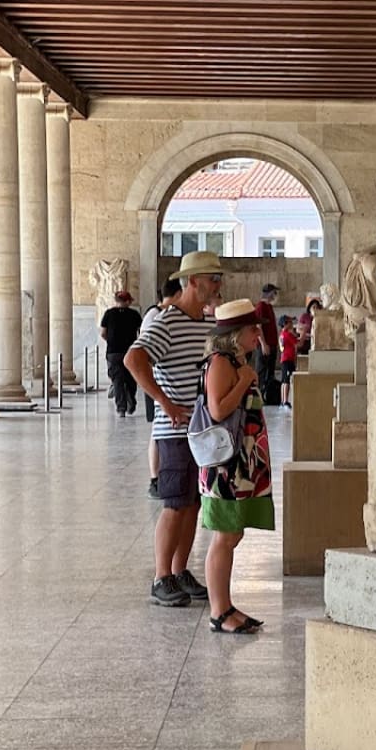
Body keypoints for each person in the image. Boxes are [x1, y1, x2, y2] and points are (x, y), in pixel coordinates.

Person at [123, 249, 225, 608]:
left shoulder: (206, 324)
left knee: (193, 504)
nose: (218, 285)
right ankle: (161, 576)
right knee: (175, 504)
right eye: (213, 278)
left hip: (201, 431)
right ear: (193, 281)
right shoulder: (167, 321)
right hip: (175, 430)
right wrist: (163, 403)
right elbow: (133, 359)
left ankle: (180, 571)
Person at [198, 299, 274, 635]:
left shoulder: (236, 361)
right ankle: (219, 611)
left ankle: (226, 605)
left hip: (241, 463)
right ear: (236, 334)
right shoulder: (221, 363)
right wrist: (244, 380)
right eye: (252, 328)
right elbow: (217, 410)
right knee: (225, 535)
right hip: (225, 467)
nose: (258, 333)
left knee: (233, 533)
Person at [141, 278, 181, 498]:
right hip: (156, 382)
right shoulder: (156, 316)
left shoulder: (163, 315)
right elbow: (141, 356)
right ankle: (155, 478)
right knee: (158, 430)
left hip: (162, 382)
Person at [100, 291, 142, 416]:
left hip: (113, 352)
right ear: (128, 301)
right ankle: (131, 402)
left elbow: (103, 333)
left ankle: (121, 408)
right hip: (130, 351)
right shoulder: (134, 314)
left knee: (117, 380)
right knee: (131, 378)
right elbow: (142, 332)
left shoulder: (109, 313)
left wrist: (111, 341)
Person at [253, 283, 279, 400]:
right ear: (269, 293)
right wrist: (263, 344)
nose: (275, 295)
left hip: (272, 344)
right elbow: (258, 326)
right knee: (262, 371)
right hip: (265, 345)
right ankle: (258, 396)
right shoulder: (261, 307)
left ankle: (268, 395)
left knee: (270, 373)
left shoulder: (269, 307)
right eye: (274, 293)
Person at [278, 315, 299, 409]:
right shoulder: (287, 334)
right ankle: (285, 401)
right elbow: (298, 343)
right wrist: (303, 334)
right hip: (288, 359)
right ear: (285, 324)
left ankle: (283, 400)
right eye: (290, 322)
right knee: (286, 381)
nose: (292, 324)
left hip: (284, 359)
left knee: (284, 381)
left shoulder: (282, 334)